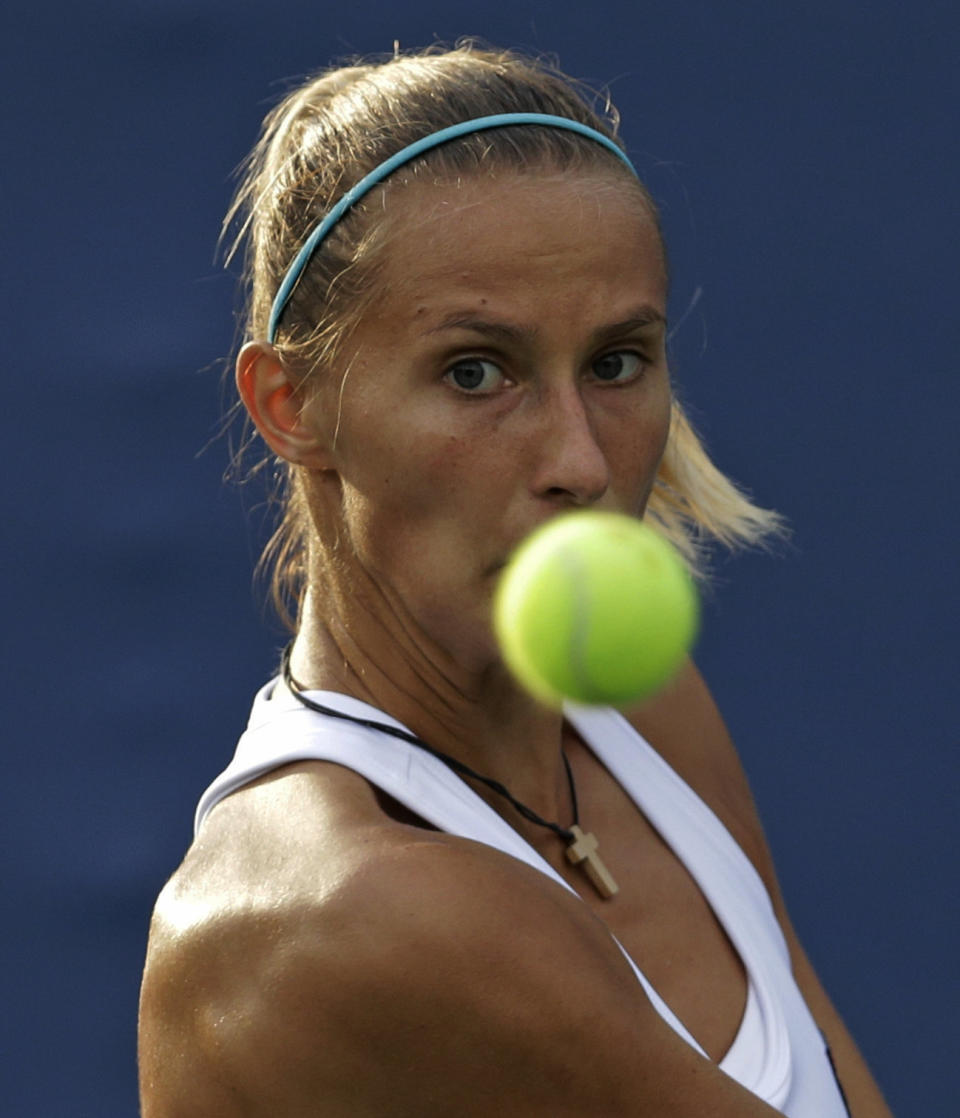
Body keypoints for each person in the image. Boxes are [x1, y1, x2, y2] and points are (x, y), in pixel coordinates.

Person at [138, 45, 893, 1117]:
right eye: (475, 371)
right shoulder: (353, 907)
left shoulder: (642, 707)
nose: (581, 462)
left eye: (616, 362)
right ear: (291, 404)